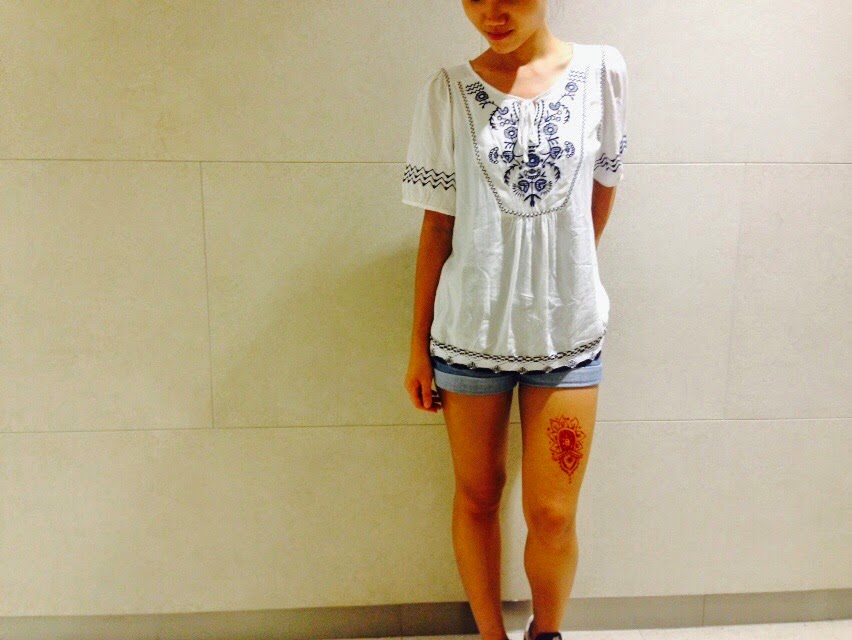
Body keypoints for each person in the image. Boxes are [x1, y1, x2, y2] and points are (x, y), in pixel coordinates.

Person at [401, 1, 629, 639]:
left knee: (553, 513)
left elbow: (603, 186)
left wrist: (567, 274)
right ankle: (491, 636)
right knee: (478, 496)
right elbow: (438, 224)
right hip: (469, 335)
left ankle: (546, 632)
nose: (491, 12)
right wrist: (417, 348)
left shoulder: (602, 74)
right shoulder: (448, 92)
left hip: (568, 334)